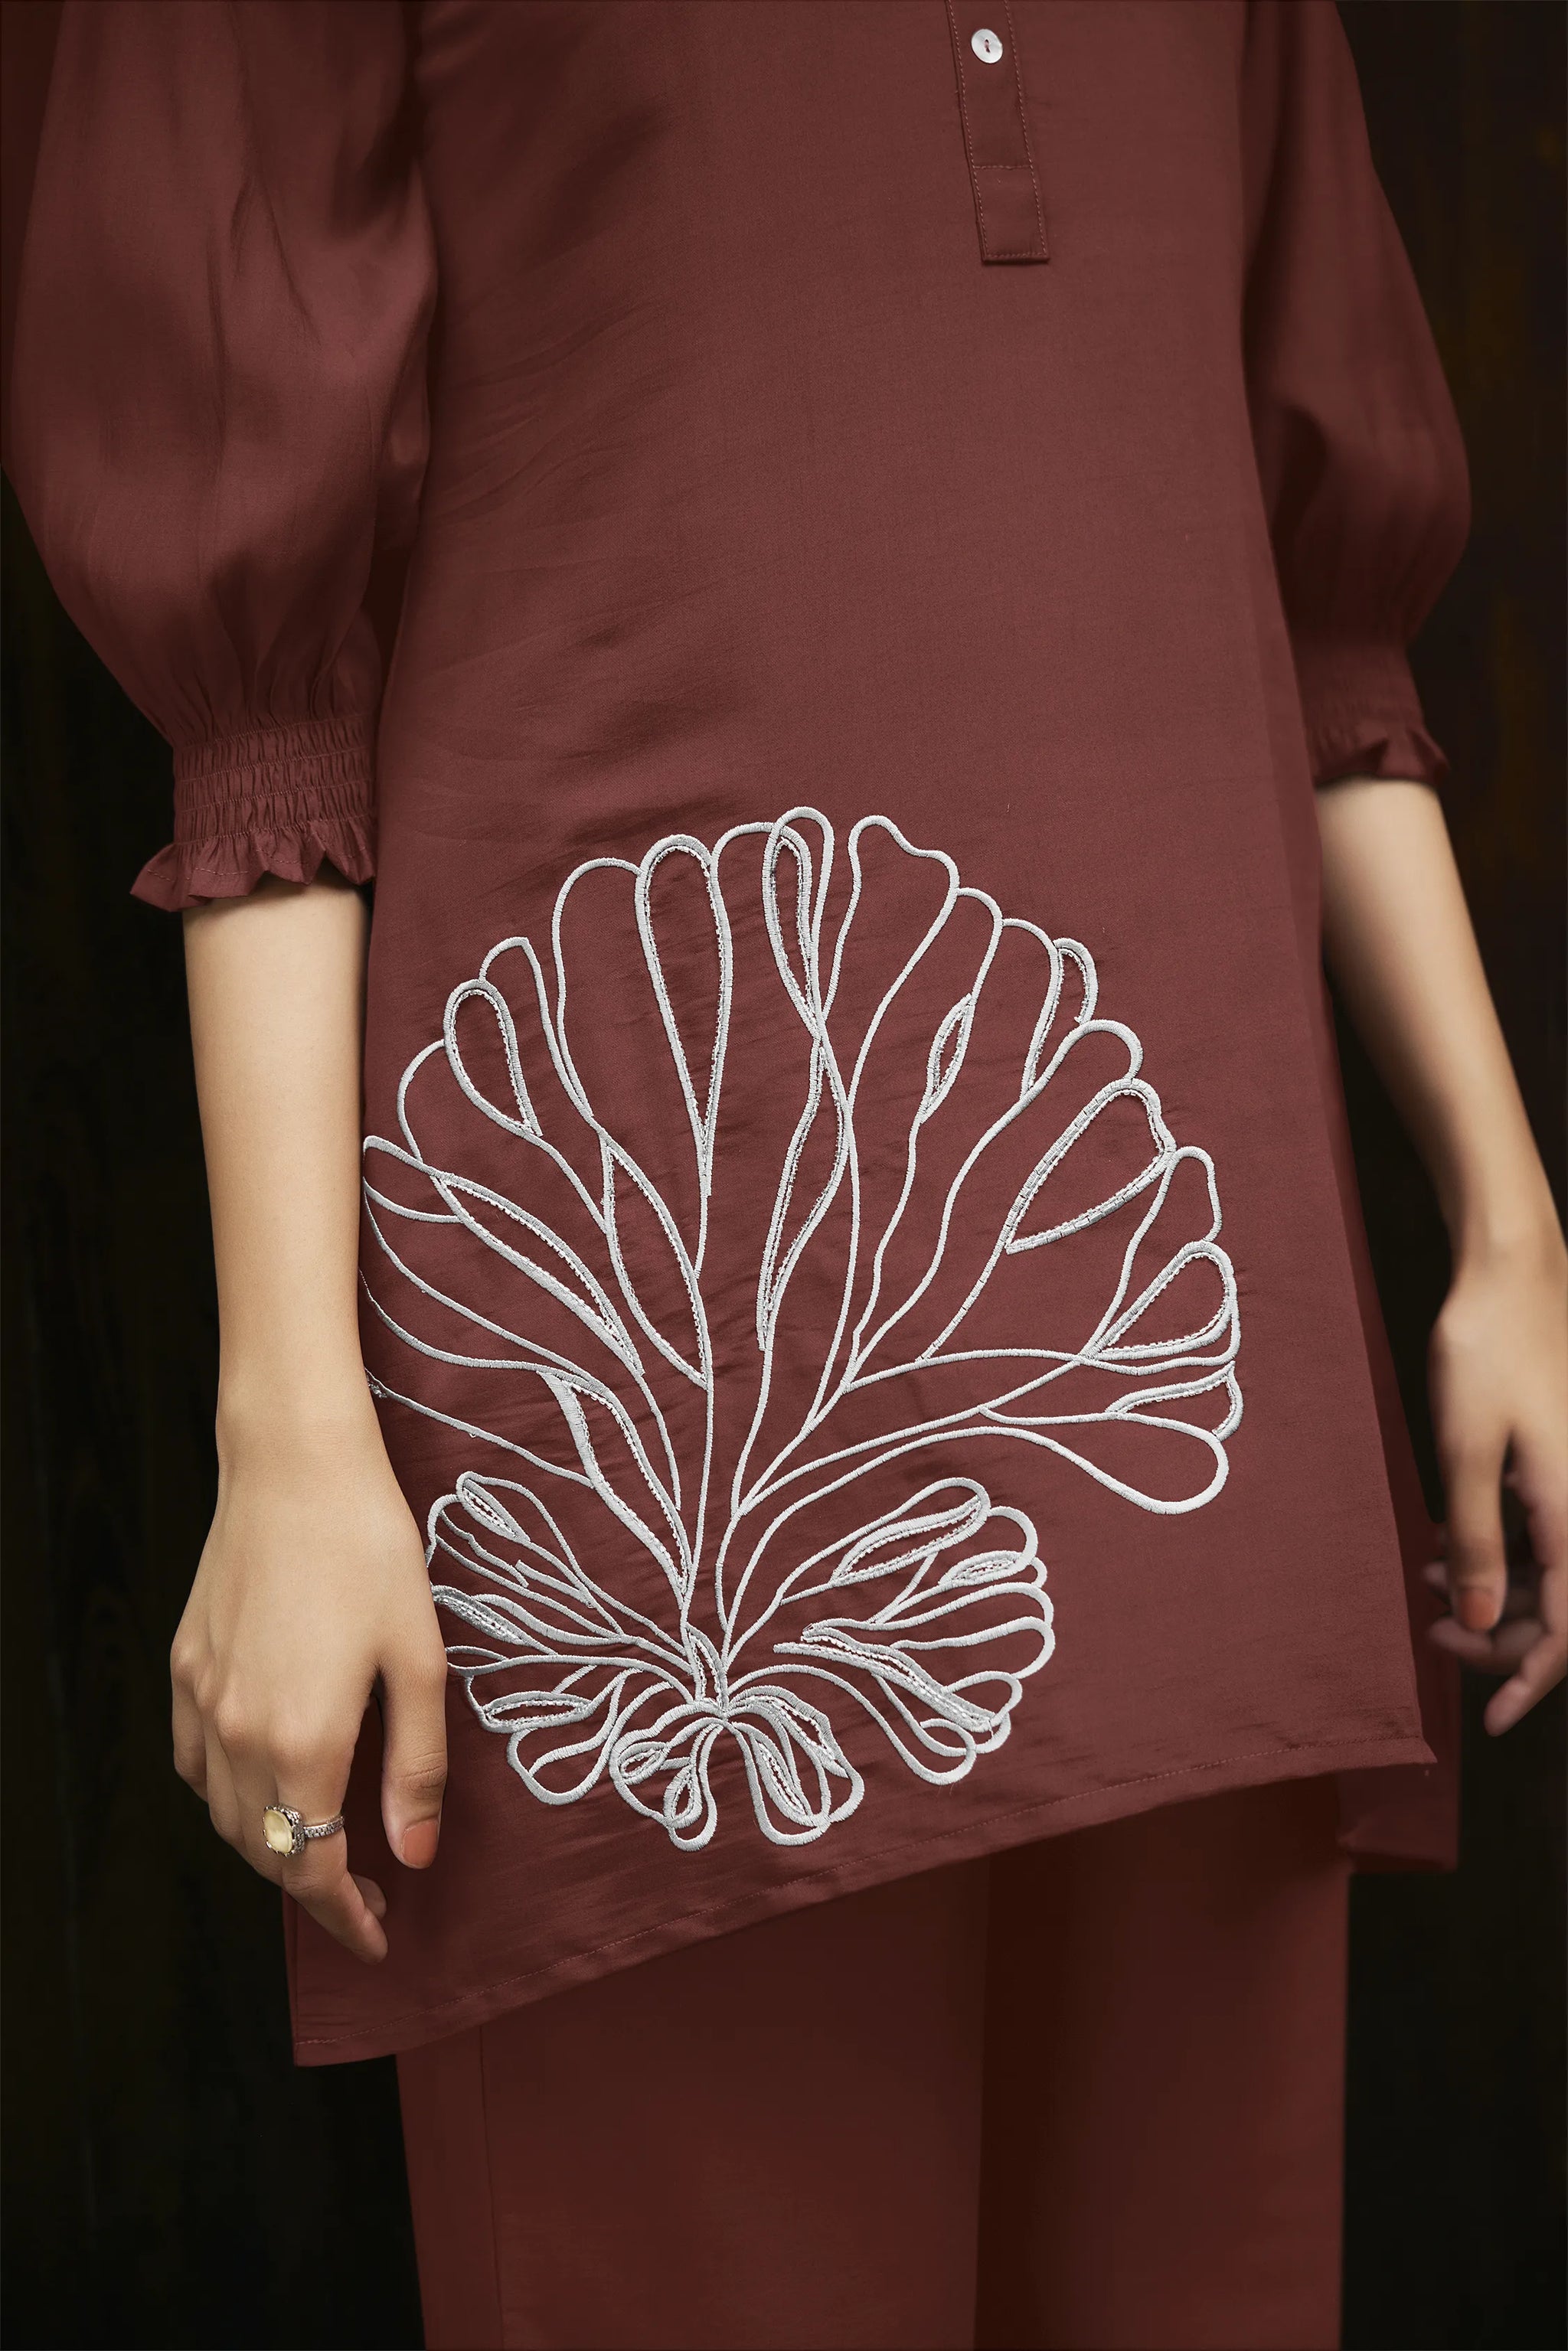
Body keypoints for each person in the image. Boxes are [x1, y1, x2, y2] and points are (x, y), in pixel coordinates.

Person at [5, 5, 1563, 2346]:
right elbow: (261, 684)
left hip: (1198, 1359)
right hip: (640, 1406)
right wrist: (295, 1428)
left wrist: (1512, 1234)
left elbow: (1324, 607)